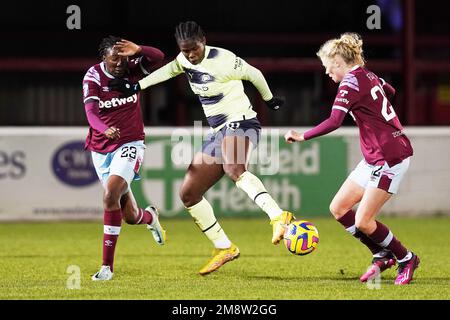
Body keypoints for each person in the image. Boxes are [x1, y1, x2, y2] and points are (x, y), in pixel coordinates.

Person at [109, 21, 294, 276]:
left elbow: (254, 74)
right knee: (188, 193)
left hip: (241, 121)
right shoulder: (184, 60)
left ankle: (278, 216)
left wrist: (269, 99)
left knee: (234, 168)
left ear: (203, 41)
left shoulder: (224, 59)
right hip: (219, 131)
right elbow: (168, 70)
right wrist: (136, 86)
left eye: (194, 49)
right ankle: (224, 247)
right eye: (185, 51)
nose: (190, 55)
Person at [284, 33, 419, 285]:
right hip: (374, 157)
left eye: (327, 68)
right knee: (338, 208)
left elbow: (335, 121)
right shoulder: (368, 75)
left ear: (337, 61)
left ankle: (406, 258)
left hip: (390, 157)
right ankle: (381, 254)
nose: (327, 74)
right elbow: (391, 91)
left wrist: (302, 136)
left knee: (363, 221)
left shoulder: (350, 82)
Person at [82, 36, 167, 281]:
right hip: (101, 147)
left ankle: (106, 268)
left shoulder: (131, 69)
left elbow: (159, 57)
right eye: (114, 58)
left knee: (110, 195)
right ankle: (150, 216)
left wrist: (138, 50)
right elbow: (90, 114)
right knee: (130, 216)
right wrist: (103, 129)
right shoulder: (93, 77)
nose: (120, 63)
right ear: (103, 59)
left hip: (130, 142)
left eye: (124, 57)